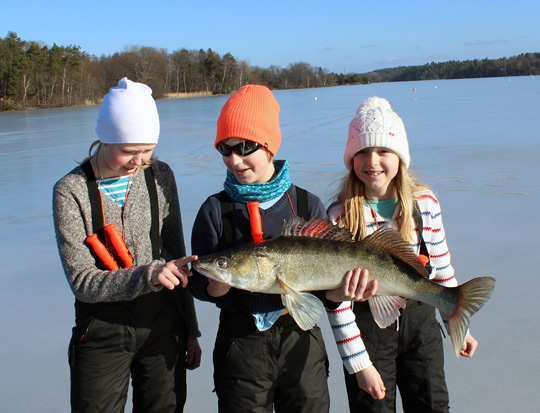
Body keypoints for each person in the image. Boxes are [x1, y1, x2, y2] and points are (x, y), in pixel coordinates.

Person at [188, 85, 376, 413]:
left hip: (301, 341)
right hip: (241, 345)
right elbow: (197, 280)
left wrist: (341, 293)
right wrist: (214, 285)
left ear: (269, 146)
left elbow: (327, 295)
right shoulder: (213, 210)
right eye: (225, 149)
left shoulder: (307, 204)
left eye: (245, 147)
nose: (234, 159)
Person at [53, 77, 201, 412]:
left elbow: (177, 256)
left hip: (163, 323)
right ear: (104, 138)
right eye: (128, 151)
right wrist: (148, 274)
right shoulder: (70, 191)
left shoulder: (160, 175)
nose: (138, 161)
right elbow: (82, 283)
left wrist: (191, 329)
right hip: (101, 330)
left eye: (147, 151)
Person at [326, 96, 479, 412]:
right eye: (363, 152)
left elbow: (442, 269)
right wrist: (359, 364)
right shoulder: (340, 217)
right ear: (351, 159)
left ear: (400, 156)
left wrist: (457, 323)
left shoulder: (425, 204)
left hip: (422, 329)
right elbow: (338, 305)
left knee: (433, 405)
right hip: (368, 334)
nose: (373, 161)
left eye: (383, 151)